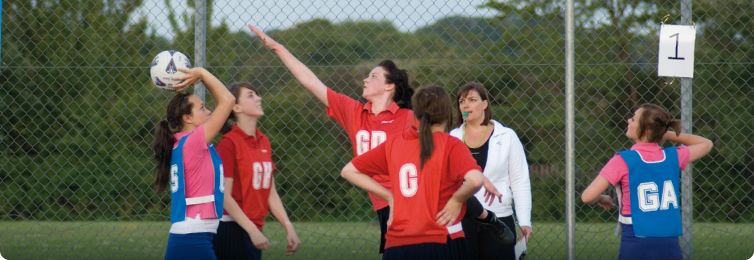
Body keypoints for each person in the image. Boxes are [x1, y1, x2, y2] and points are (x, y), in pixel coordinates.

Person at [248, 25, 507, 254]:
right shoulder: (353, 112)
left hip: (414, 198)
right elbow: (311, 82)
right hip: (386, 198)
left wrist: (478, 177)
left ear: (389, 86)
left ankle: (487, 219)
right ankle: (485, 219)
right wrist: (278, 48)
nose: (365, 78)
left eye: (373, 76)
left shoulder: (406, 117)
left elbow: (442, 143)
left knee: (443, 233)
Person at [341, 85, 485, 259]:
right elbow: (476, 180)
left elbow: (349, 171)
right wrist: (456, 199)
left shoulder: (394, 144)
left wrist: (390, 197)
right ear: (448, 113)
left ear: (415, 113)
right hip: (441, 239)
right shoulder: (451, 145)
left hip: (397, 244)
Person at [581, 103, 713, 260]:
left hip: (636, 242)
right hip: (669, 245)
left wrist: (601, 198)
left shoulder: (623, 161)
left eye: (634, 119)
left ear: (646, 130)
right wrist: (669, 134)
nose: (629, 120)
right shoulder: (672, 157)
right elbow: (706, 144)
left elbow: (587, 197)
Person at [151, 67, 235, 260]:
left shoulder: (186, 143)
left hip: (192, 235)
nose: (210, 111)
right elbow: (228, 100)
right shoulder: (193, 143)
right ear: (187, 118)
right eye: (202, 108)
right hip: (192, 237)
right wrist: (201, 74)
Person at [213, 83, 301, 259]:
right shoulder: (228, 143)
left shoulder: (263, 141)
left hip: (254, 227)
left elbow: (270, 191)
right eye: (251, 95)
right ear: (236, 107)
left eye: (257, 94)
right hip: (231, 228)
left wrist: (288, 226)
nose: (259, 98)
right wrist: (251, 230)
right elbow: (224, 196)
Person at [449, 82, 532, 259]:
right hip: (461, 218)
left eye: (472, 100)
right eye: (461, 100)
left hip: (499, 217)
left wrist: (524, 220)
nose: (465, 104)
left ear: (485, 104)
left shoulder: (507, 136)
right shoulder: (452, 137)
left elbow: (520, 180)